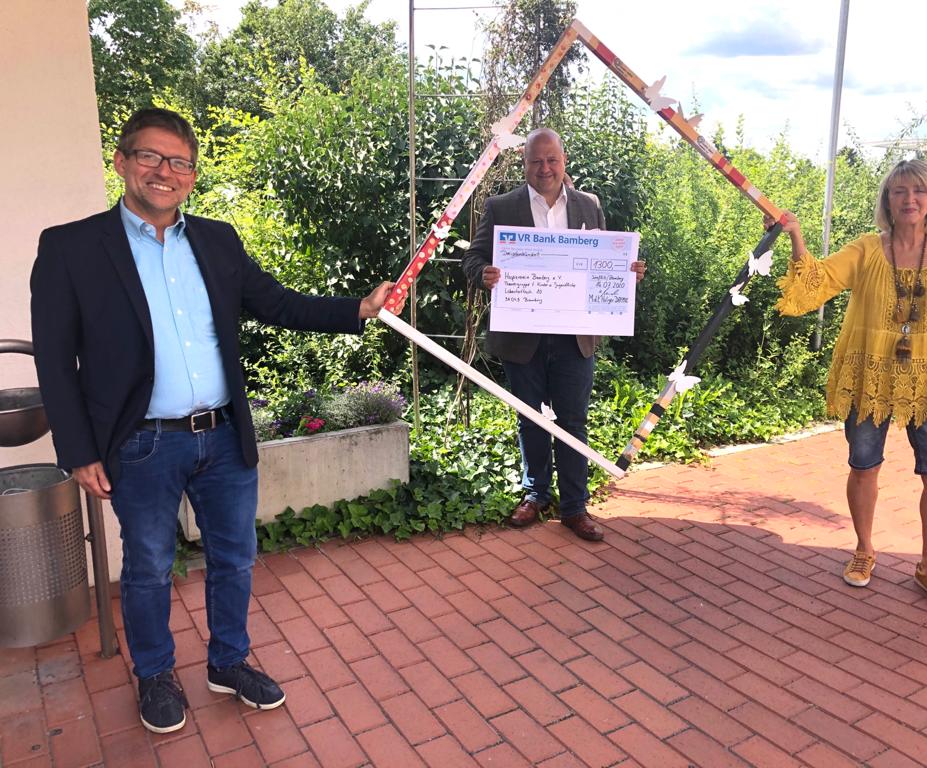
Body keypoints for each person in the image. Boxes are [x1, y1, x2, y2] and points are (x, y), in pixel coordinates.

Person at [30, 108, 401, 733]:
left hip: (226, 436)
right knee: (147, 568)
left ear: (193, 176)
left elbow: (276, 302)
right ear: (121, 162)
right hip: (142, 443)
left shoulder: (218, 240)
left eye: (178, 162)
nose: (163, 171)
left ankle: (227, 662)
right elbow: (55, 359)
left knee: (234, 559)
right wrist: (79, 450)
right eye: (149, 156)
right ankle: (154, 674)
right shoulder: (72, 248)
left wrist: (357, 309)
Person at [769, 159, 927, 608]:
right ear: (887, 199)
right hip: (870, 376)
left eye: (919, 191)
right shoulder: (868, 249)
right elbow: (817, 281)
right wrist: (794, 234)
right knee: (864, 465)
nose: (909, 200)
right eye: (899, 191)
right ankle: (864, 550)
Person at [462, 127, 645, 542]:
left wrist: (628, 271)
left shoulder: (588, 205)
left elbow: (608, 260)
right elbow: (473, 257)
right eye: (536, 161)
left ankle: (574, 508)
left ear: (564, 162)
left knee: (573, 420)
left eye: (552, 160)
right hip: (522, 334)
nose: (545, 168)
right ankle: (535, 494)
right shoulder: (501, 206)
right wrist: (484, 274)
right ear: (524, 164)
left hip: (574, 337)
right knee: (530, 418)